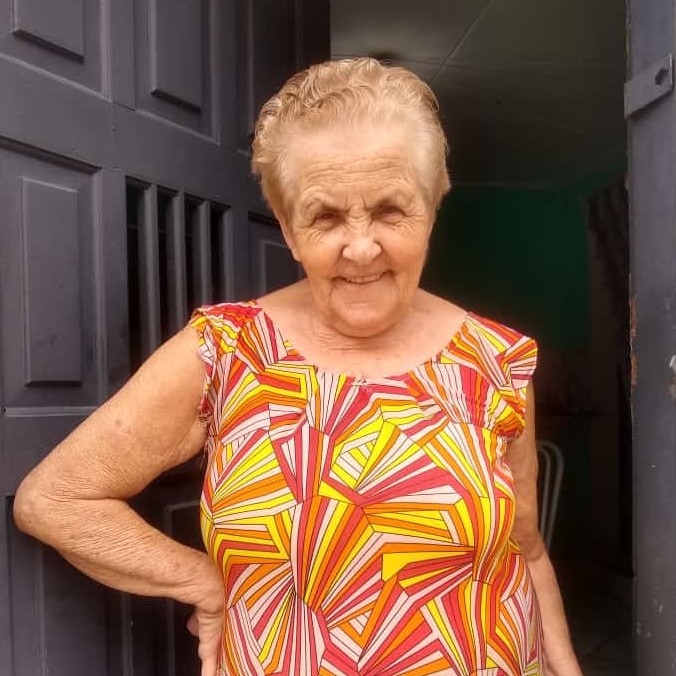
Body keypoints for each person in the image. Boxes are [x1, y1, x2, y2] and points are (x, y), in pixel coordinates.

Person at [13, 58, 582, 676]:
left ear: (431, 209)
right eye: (325, 216)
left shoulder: (496, 360)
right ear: (287, 228)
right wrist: (198, 580)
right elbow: (57, 497)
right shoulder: (229, 351)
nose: (361, 248)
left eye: (391, 211)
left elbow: (527, 550)